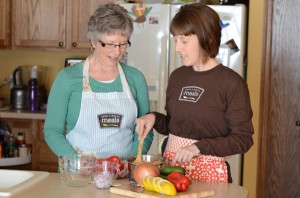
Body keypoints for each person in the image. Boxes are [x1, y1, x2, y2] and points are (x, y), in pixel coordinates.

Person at [135, 3, 254, 183]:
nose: (177, 48)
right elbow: (176, 126)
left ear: (205, 38)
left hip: (210, 178)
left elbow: (243, 139)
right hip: (173, 174)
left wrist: (198, 148)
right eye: (175, 40)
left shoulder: (231, 83)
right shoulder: (177, 77)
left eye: (184, 41)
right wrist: (153, 118)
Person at [44, 3, 153, 177]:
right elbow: (52, 131)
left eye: (122, 44)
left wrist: (133, 160)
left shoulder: (135, 79)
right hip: (77, 177)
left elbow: (145, 131)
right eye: (109, 44)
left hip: (121, 177)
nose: (117, 52)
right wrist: (77, 161)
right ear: (94, 41)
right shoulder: (67, 79)